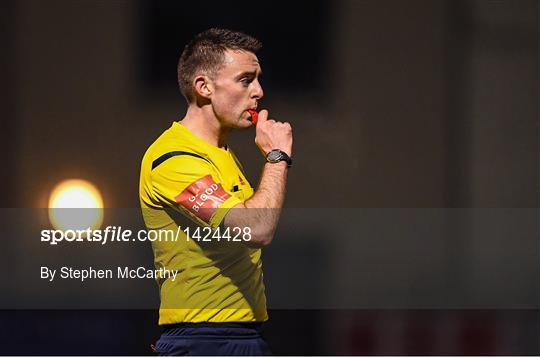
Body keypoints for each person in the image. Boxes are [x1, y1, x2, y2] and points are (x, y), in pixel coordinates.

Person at [139, 28, 293, 355]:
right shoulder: (173, 159)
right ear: (204, 87)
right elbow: (257, 229)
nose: (259, 91)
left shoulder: (221, 153)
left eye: (258, 79)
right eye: (245, 80)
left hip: (240, 335)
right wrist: (278, 157)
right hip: (204, 339)